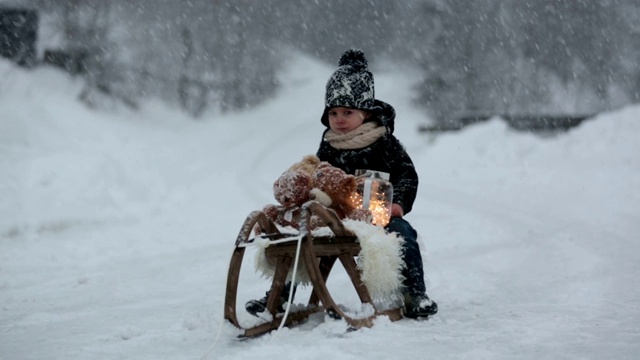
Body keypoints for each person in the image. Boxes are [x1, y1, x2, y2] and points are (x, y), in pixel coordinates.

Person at [246, 49, 437, 319]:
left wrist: (399, 205)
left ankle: (414, 293)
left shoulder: (384, 142)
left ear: (366, 113)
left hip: (377, 214)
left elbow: (407, 175)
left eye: (348, 112)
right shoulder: (330, 145)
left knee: (403, 235)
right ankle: (278, 297)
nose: (340, 119)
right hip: (335, 215)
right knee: (299, 240)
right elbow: (318, 176)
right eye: (333, 113)